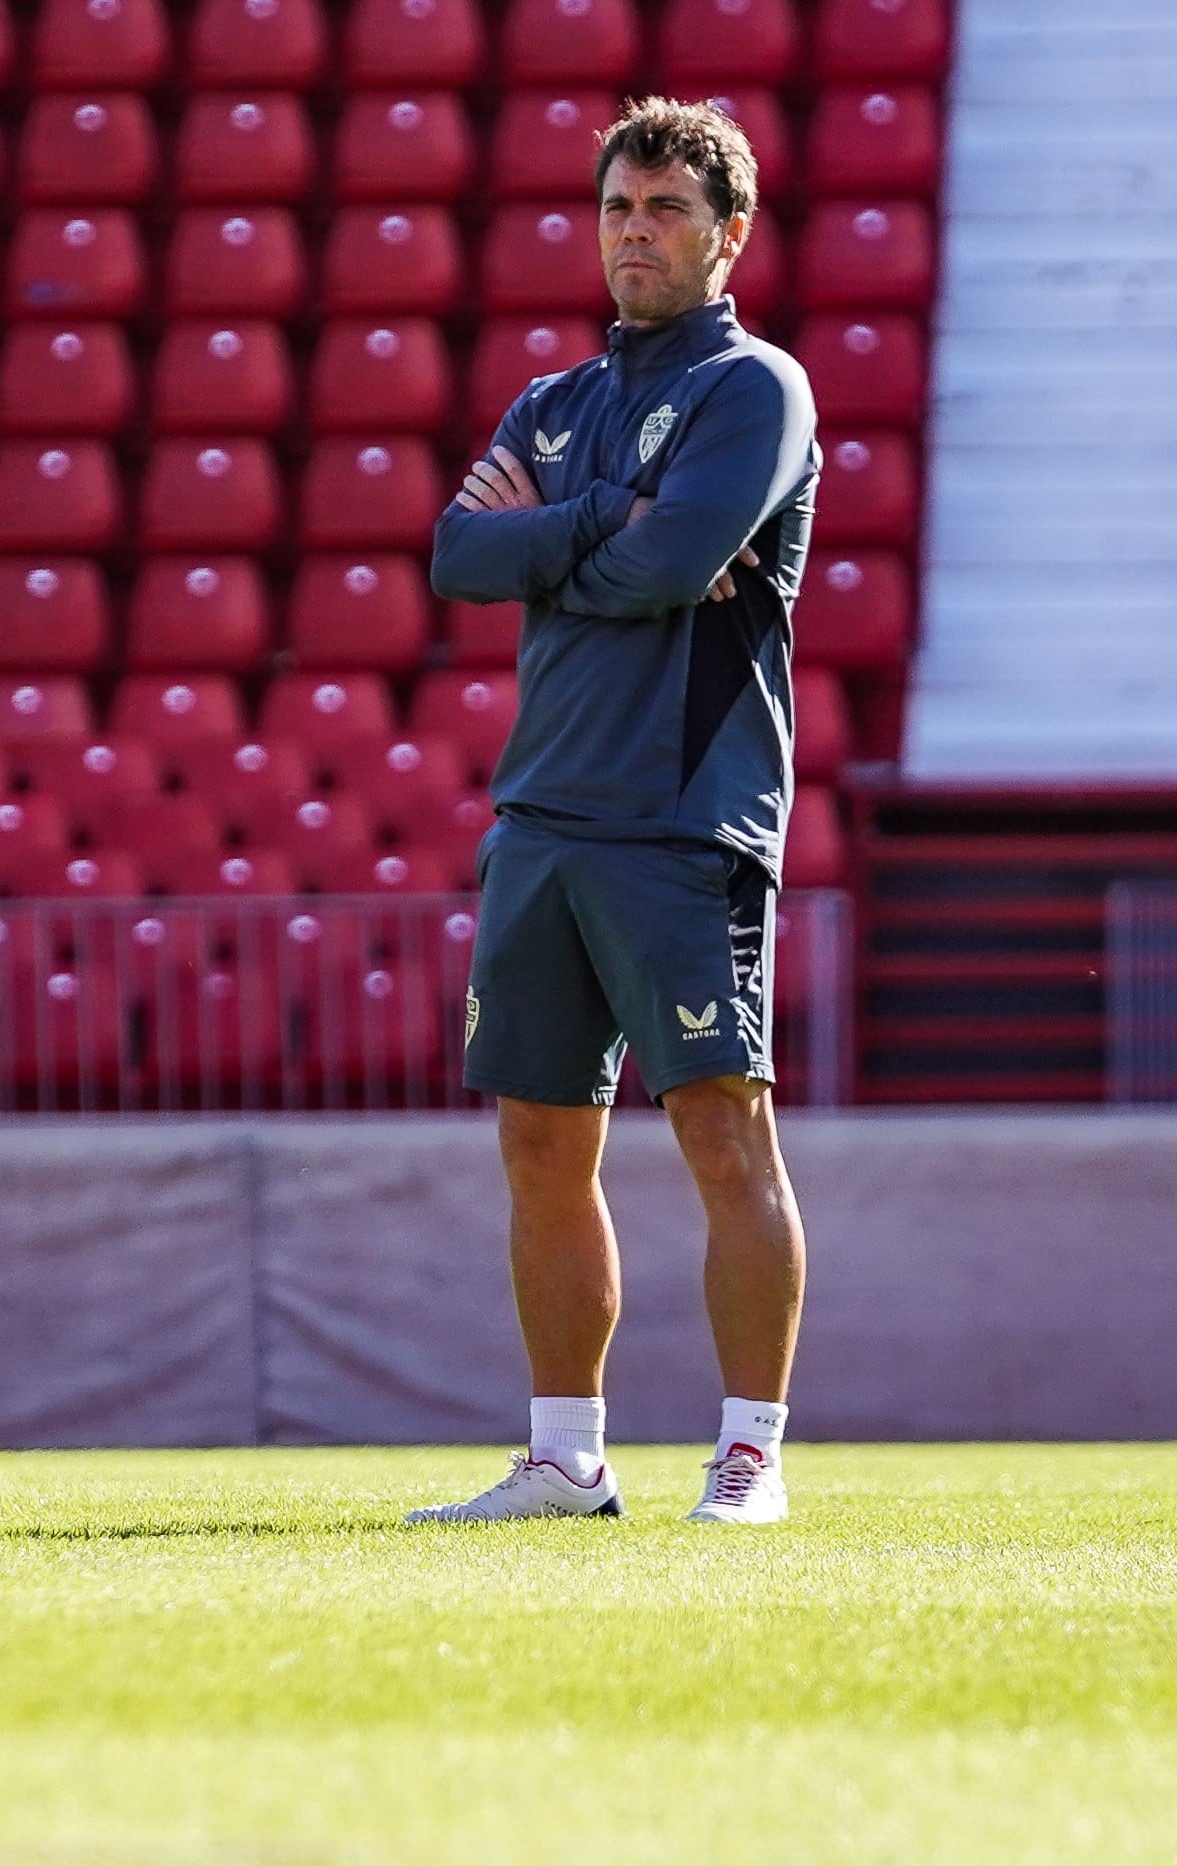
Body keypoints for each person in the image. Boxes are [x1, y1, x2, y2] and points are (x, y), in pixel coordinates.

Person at [406, 98, 820, 1528]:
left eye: (662, 211)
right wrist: (603, 518)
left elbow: (675, 564)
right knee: (538, 1137)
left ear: (729, 233)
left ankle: (749, 1451)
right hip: (546, 810)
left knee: (720, 1124)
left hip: (683, 813)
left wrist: (567, 532)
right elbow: (460, 554)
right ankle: (563, 1457)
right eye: (616, 210)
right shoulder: (553, 401)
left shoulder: (754, 388)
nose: (632, 233)